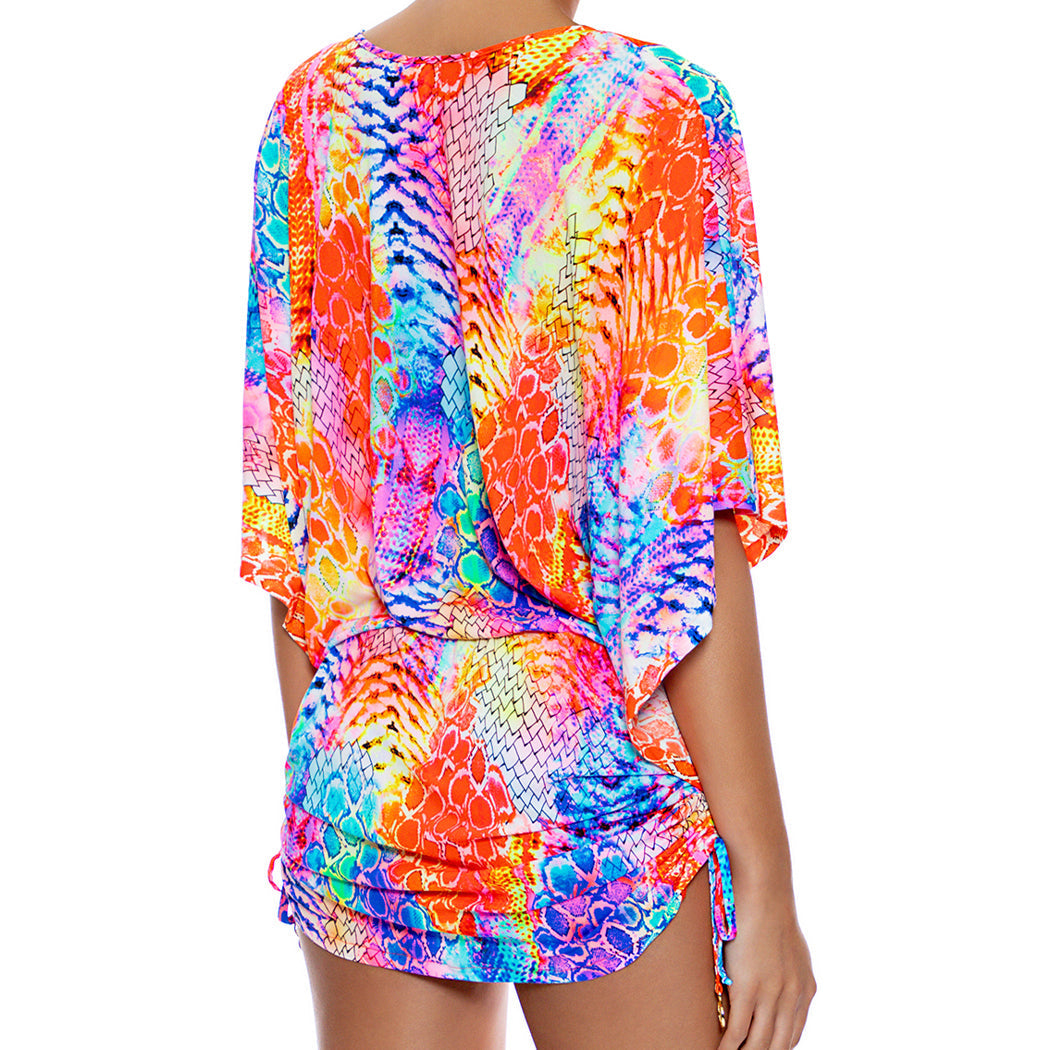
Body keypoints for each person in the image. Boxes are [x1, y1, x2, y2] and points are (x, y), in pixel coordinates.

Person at [240, 1, 816, 1047]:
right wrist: (766, 882)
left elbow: (302, 516)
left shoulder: (312, 107)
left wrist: (341, 789)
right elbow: (676, 532)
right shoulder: (654, 106)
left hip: (372, 756)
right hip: (590, 773)